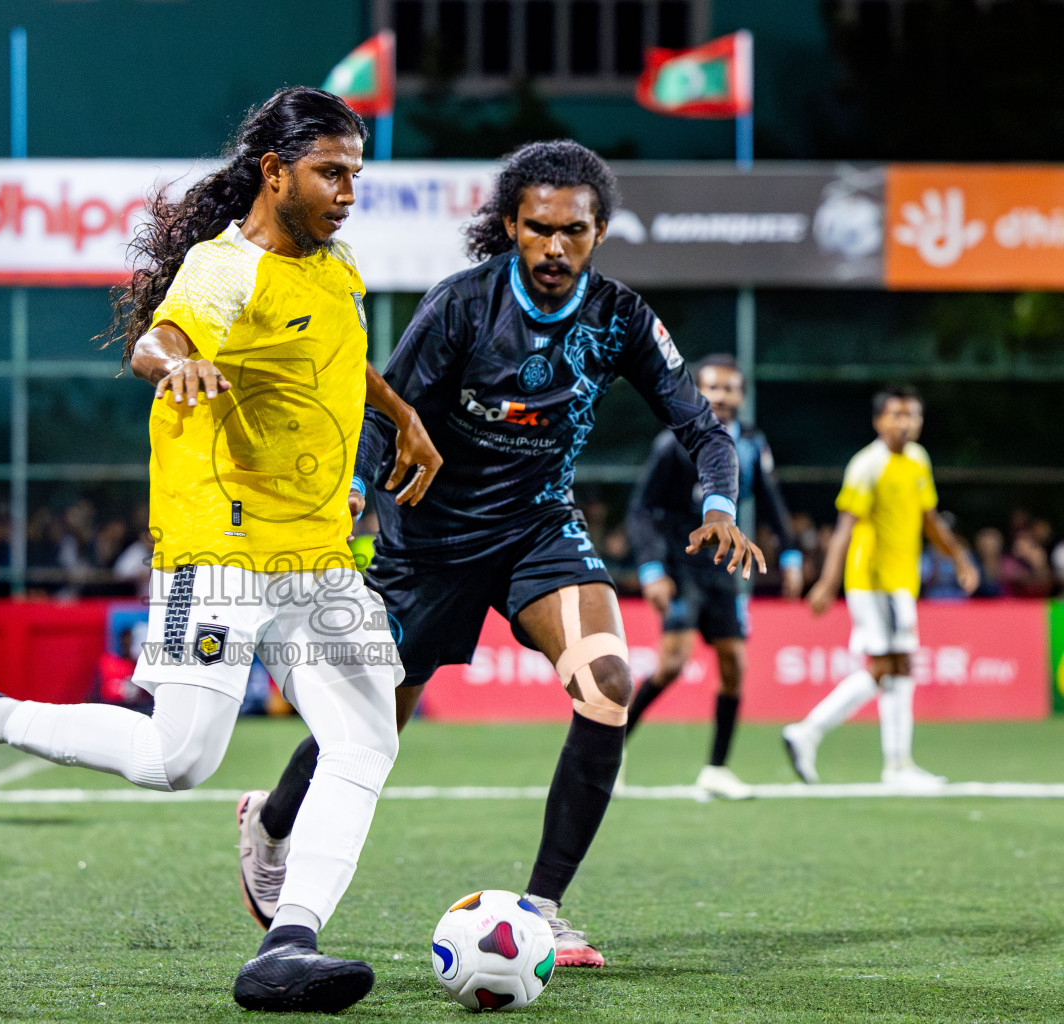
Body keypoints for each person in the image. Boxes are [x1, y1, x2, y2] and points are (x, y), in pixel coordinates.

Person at [0, 87, 442, 1014]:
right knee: (181, 759)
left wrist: (402, 413)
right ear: (275, 171)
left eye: (356, 173)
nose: (348, 190)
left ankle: (288, 944)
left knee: (367, 735)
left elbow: (333, 361)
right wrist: (178, 363)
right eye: (331, 172)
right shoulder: (226, 266)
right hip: (217, 540)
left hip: (318, 554)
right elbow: (160, 339)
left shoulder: (333, 268)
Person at [234, 140, 762, 970]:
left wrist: (721, 503)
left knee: (608, 685)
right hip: (428, 537)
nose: (556, 248)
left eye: (575, 232)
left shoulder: (621, 317)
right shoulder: (461, 306)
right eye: (540, 229)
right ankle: (269, 822)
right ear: (510, 225)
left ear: (598, 232)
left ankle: (544, 908)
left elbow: (702, 428)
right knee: (372, 725)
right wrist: (350, 492)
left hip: (537, 528)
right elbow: (381, 415)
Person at [622, 354, 803, 799]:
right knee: (672, 661)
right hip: (678, 564)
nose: (721, 396)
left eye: (729, 388)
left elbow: (773, 501)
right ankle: (609, 750)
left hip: (723, 569)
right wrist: (651, 569)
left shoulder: (752, 444)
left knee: (735, 666)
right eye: (712, 388)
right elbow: (641, 509)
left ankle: (716, 769)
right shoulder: (673, 444)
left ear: (742, 395)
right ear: (696, 393)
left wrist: (793, 553)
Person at [782, 386, 978, 789]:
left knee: (897, 667)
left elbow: (930, 519)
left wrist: (959, 557)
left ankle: (878, 757)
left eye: (912, 415)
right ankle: (859, 751)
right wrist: (827, 582)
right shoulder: (867, 465)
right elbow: (843, 529)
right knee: (889, 666)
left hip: (900, 581)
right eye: (896, 415)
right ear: (878, 421)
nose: (905, 423)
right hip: (874, 580)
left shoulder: (918, 460)